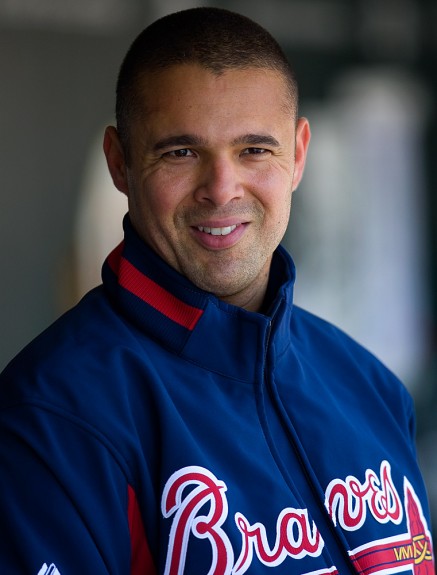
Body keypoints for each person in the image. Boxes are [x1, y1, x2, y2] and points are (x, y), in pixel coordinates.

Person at [0, 7, 434, 575]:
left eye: (255, 149)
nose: (222, 189)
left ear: (298, 155)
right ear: (120, 162)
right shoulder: (52, 419)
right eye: (181, 152)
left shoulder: (371, 388)